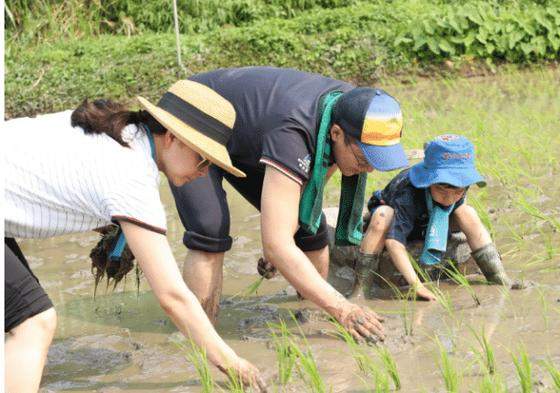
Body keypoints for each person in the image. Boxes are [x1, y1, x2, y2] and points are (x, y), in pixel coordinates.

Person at [3, 80, 266, 392]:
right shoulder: (132, 175)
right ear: (172, 137)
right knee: (34, 323)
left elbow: (55, 181)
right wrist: (232, 363)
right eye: (204, 158)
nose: (205, 171)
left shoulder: (120, 132)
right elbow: (172, 296)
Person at [169, 66, 409, 342]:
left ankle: (310, 321)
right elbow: (277, 243)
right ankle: (199, 339)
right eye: (364, 159)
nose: (368, 170)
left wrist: (283, 241)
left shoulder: (350, 108)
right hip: (196, 115)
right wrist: (342, 307)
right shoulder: (294, 131)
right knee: (210, 229)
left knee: (311, 230)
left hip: (251, 134)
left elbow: (313, 184)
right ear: (336, 134)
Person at [350, 134, 512, 300]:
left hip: (429, 220)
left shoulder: (461, 186)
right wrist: (417, 286)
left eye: (458, 191)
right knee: (382, 216)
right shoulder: (407, 193)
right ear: (428, 181)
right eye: (442, 190)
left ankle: (498, 277)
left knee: (467, 212)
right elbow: (393, 242)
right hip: (399, 219)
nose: (449, 199)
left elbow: (458, 206)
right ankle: (361, 289)